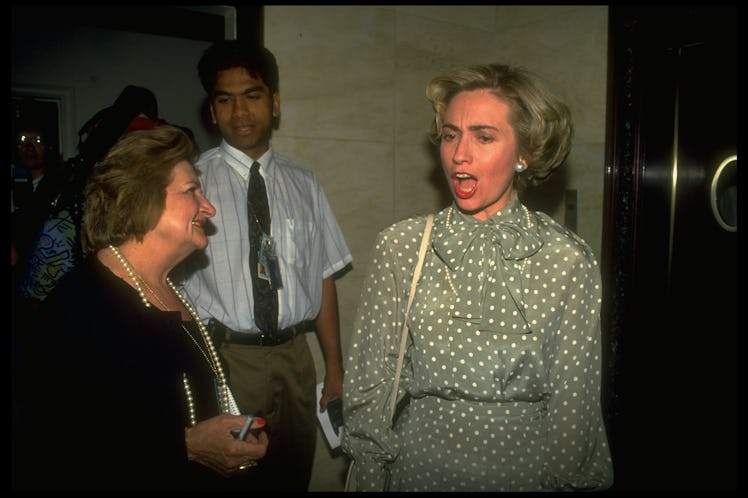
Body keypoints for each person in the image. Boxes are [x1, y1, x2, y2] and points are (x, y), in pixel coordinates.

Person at [341, 63, 614, 491]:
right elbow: (370, 384)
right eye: (451, 135)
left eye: (484, 137)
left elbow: (574, 408)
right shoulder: (402, 246)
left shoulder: (566, 260)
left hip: (523, 477)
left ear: (525, 153)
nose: (459, 155)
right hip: (417, 473)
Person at [12, 125, 268, 491]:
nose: (209, 208)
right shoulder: (79, 308)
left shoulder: (167, 290)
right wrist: (186, 447)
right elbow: (55, 451)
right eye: (192, 190)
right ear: (142, 197)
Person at [179, 40, 353, 491]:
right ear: (211, 111)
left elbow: (323, 277)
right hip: (227, 361)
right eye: (225, 99)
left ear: (274, 104)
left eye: (252, 95)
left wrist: (334, 368)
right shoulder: (190, 183)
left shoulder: (305, 184)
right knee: (234, 477)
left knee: (292, 473)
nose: (240, 111)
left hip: (296, 361)